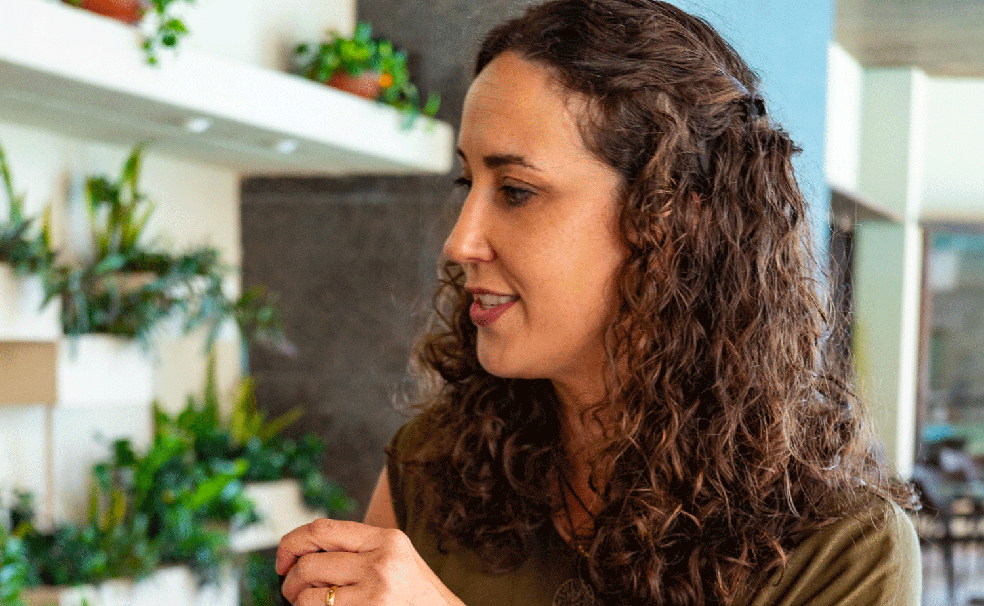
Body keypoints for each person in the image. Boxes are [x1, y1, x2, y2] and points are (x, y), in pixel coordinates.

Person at [276, 1, 921, 604]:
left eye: (517, 191)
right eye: (467, 181)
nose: (459, 241)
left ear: (669, 215)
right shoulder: (433, 469)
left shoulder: (841, 550)